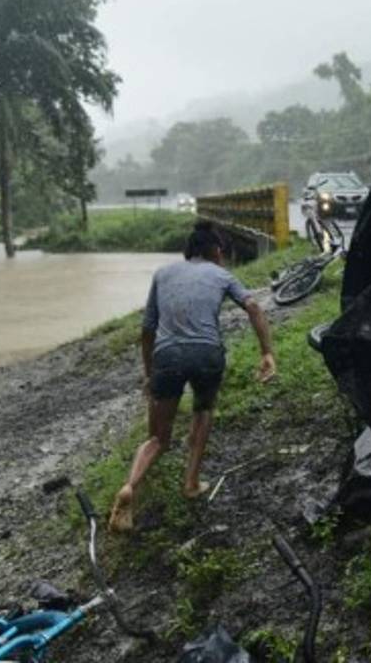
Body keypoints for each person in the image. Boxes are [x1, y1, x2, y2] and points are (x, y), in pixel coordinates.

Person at [110, 222, 276, 532]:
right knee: (202, 412)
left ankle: (130, 486)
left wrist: (150, 374)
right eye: (222, 252)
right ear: (215, 251)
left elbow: (147, 330)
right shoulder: (221, 275)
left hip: (167, 356)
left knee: (157, 437)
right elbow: (253, 306)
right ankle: (191, 482)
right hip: (207, 355)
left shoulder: (162, 274)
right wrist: (266, 352)